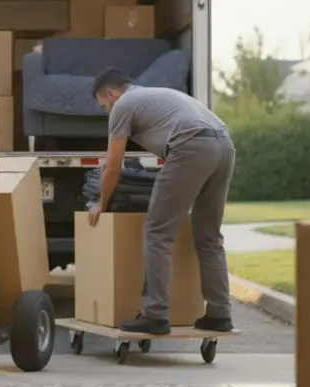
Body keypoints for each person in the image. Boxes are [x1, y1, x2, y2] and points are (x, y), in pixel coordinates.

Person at [87, 68, 237, 335]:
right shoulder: (155, 96)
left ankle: (155, 315)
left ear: (111, 94)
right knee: (209, 236)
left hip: (191, 146)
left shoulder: (123, 105)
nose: (107, 113)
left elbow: (112, 166)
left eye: (104, 106)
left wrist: (101, 203)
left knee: (157, 231)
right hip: (224, 145)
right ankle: (219, 312)